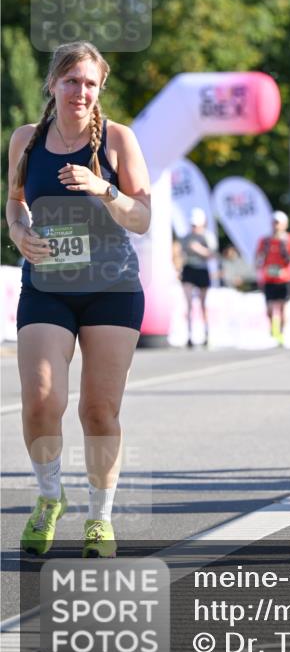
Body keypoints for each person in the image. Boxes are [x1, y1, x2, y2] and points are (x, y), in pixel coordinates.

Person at [6, 41, 150, 559]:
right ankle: (50, 497)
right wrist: (20, 234)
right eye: (71, 81)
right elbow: (16, 204)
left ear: (101, 87)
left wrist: (104, 189)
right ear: (53, 85)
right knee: (43, 399)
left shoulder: (117, 140)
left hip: (112, 288)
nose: (80, 91)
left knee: (98, 409)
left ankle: (100, 516)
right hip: (47, 284)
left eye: (90, 82)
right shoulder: (27, 140)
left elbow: (143, 217)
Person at [255, 210, 290, 345]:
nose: (275, 226)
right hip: (269, 279)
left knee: (283, 308)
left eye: (278, 223)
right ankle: (273, 327)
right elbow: (257, 258)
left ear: (284, 224)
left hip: (285, 279)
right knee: (270, 309)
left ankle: (281, 333)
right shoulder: (265, 241)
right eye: (273, 223)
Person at [178, 207, 216, 348]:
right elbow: (180, 254)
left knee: (203, 304)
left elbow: (212, 255)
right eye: (192, 225)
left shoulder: (207, 236)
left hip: (202, 270)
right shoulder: (185, 237)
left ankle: (206, 333)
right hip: (189, 270)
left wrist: (198, 249)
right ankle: (189, 335)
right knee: (188, 304)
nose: (193, 227)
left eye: (196, 225)